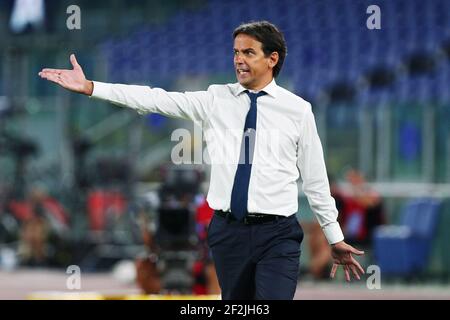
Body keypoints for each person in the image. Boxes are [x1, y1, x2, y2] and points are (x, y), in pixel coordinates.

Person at [39, 21, 365, 300]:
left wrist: (334, 236)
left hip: (277, 235)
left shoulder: (298, 110)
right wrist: (92, 87)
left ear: (272, 58)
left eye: (248, 53)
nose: (239, 60)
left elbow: (315, 180)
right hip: (227, 232)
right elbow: (155, 98)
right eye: (236, 52)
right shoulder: (215, 99)